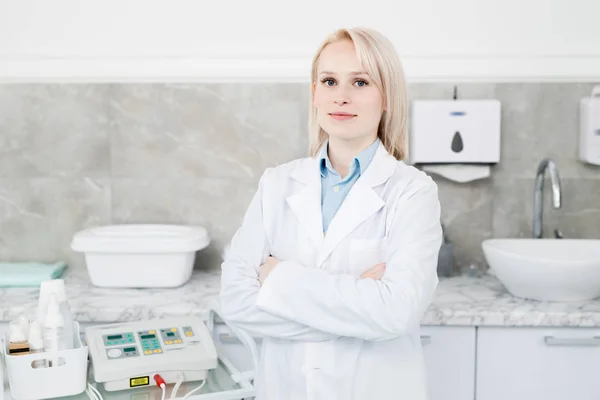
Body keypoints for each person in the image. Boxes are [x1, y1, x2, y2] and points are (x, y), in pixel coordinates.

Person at [220, 26, 443, 400]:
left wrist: (280, 281)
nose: (341, 97)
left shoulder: (412, 192)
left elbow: (397, 313)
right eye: (329, 81)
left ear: (386, 96)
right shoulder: (276, 184)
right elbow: (237, 303)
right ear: (314, 94)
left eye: (360, 83)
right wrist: (362, 308)